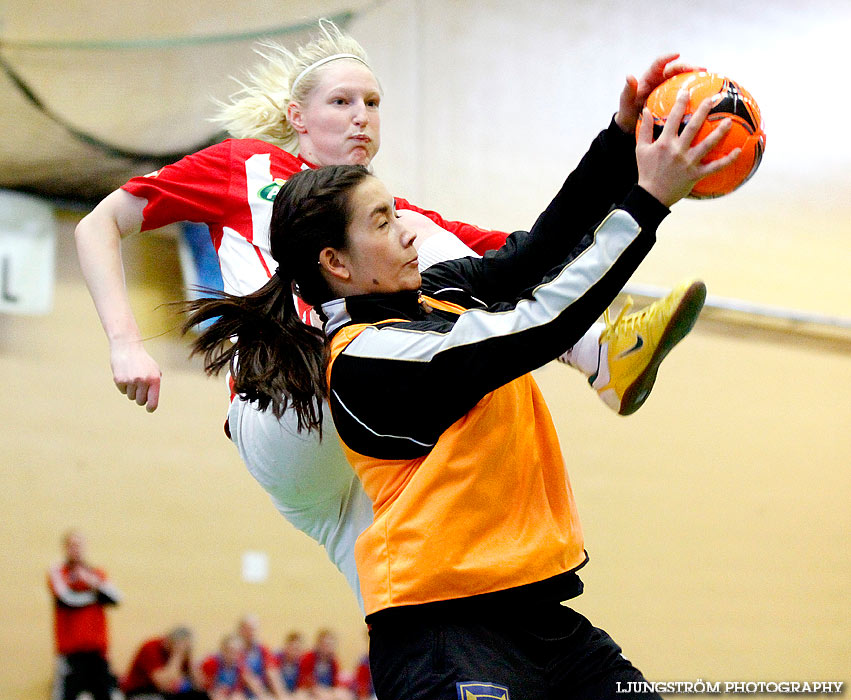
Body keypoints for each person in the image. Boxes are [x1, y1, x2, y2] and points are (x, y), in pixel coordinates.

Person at [75, 20, 705, 610]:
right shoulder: (248, 166)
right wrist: (124, 342)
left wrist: (626, 149)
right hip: (284, 407)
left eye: (373, 104)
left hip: (360, 430)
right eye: (343, 102)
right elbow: (99, 223)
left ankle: (597, 357)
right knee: (440, 254)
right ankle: (597, 353)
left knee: (420, 609)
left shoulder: (384, 219)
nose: (361, 117)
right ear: (296, 116)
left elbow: (528, 256)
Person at [180, 78, 737, 697]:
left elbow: (536, 253)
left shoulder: (434, 294)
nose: (410, 232)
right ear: (337, 263)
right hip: (442, 636)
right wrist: (649, 201)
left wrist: (616, 138)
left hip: (545, 625)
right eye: (385, 222)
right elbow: (543, 323)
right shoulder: (366, 359)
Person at [48, 529, 122, 700]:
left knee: (106, 693)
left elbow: (116, 597)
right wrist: (95, 595)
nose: (76, 549)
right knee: (67, 694)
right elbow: (67, 598)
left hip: (97, 650)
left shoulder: (95, 574)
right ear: (65, 548)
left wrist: (93, 583)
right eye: (71, 545)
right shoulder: (59, 572)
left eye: (79, 545)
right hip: (71, 652)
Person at [122, 626, 207, 699]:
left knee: (201, 696)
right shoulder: (151, 647)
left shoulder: (183, 654)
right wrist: (177, 654)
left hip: (164, 693)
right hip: (141, 692)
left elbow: (200, 685)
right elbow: (164, 685)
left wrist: (190, 658)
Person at [235, 614, 287, 699]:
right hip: (242, 693)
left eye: (254, 629)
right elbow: (247, 677)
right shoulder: (236, 651)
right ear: (240, 631)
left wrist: (282, 696)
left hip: (261, 691)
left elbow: (272, 673)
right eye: (248, 629)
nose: (251, 632)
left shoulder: (263, 649)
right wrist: (263, 696)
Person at [296, 629, 351, 699]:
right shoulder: (308, 658)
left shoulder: (333, 661)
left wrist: (332, 693)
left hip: (327, 690)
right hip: (309, 690)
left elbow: (336, 682)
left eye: (331, 645)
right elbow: (307, 681)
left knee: (344, 694)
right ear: (318, 644)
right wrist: (321, 692)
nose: (329, 648)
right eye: (326, 644)